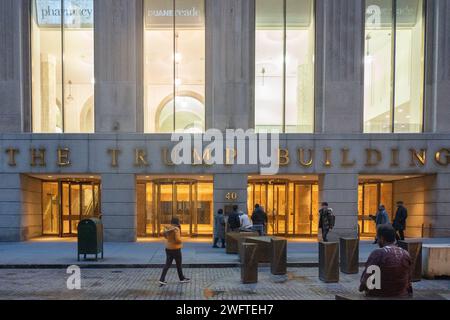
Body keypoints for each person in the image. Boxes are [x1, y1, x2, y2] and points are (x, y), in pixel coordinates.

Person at [359, 224, 413, 298]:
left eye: (377, 237)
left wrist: (362, 288)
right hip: (402, 295)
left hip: (379, 295)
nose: (377, 240)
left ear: (382, 238)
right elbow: (409, 280)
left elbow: (366, 281)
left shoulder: (377, 253)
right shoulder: (405, 253)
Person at [159, 217, 190, 287]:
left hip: (168, 248)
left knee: (167, 264)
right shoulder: (176, 229)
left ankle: (162, 279)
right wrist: (181, 241)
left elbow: (164, 235)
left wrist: (169, 239)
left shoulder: (167, 228)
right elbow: (177, 239)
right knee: (178, 264)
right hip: (176, 249)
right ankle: (181, 278)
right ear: (177, 222)